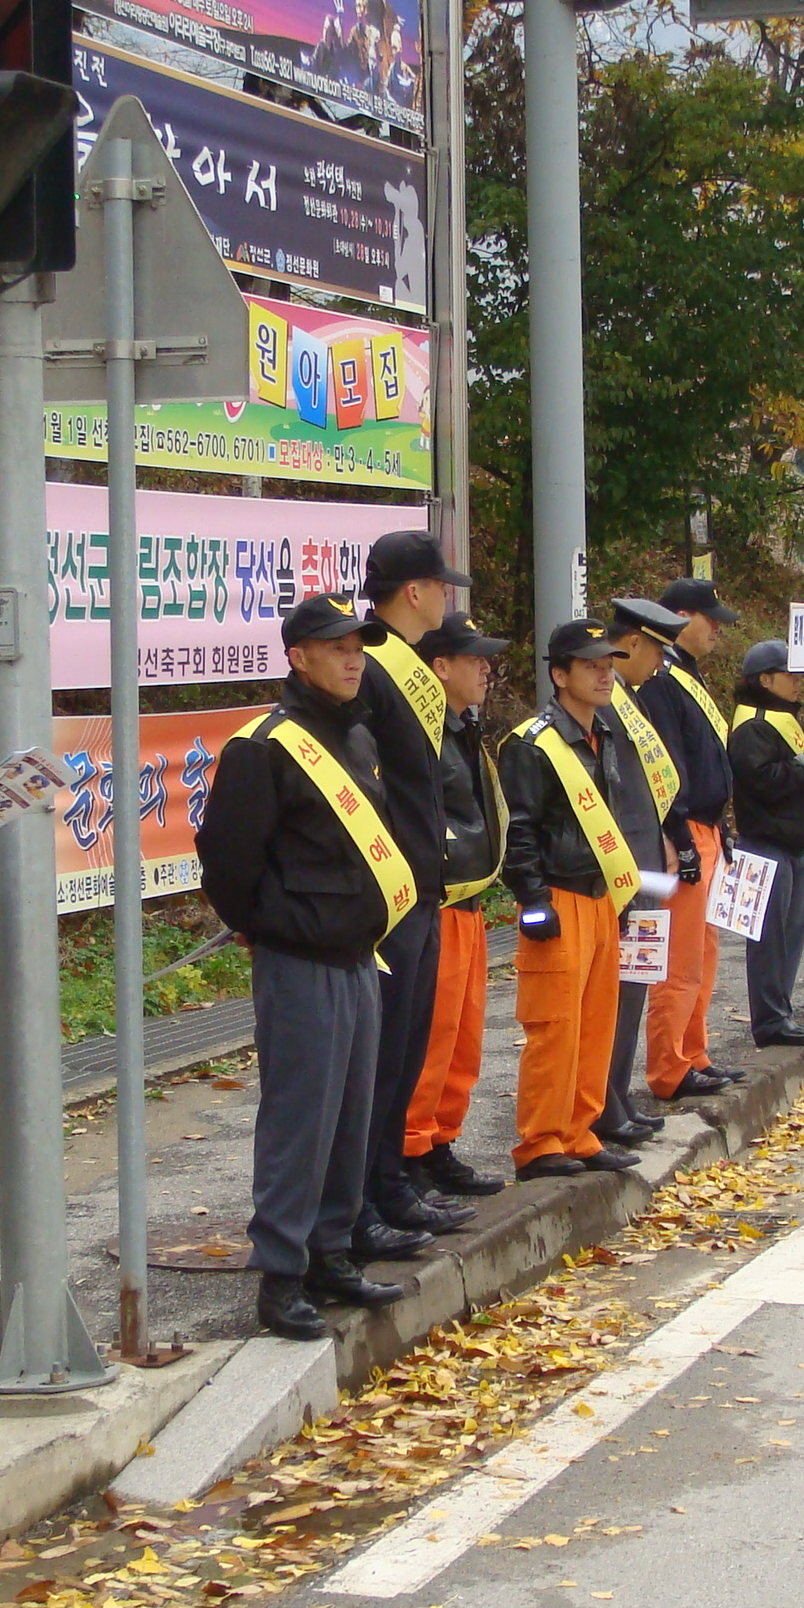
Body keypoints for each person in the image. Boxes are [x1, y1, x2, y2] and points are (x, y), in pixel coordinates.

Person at [197, 594, 429, 1342]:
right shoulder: (264, 747)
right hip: (300, 960)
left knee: (351, 1115)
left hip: (359, 956)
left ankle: (331, 1252)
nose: (354, 659)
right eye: (337, 648)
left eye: (359, 647)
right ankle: (282, 1274)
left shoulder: (354, 736)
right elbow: (228, 863)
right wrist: (273, 926)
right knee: (300, 1119)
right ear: (298, 657)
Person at [353, 531, 479, 1240]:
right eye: (440, 586)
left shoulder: (403, 663)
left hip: (423, 883)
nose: (446, 598)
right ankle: (367, 1198)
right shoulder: (373, 666)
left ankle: (391, 1184)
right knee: (382, 1054)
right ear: (413, 591)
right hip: (392, 888)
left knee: (406, 1047)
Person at [499, 621, 643, 1181]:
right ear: (559, 675)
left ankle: (581, 1132)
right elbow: (520, 831)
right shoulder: (533, 744)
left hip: (599, 894)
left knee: (596, 1023)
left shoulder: (602, 733)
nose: (605, 675)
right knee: (554, 1024)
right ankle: (540, 1143)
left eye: (608, 665)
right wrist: (534, 902)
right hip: (559, 894)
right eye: (591, 666)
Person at [402, 612, 510, 1203]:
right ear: (439, 667)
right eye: (474, 659)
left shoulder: (464, 727)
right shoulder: (421, 731)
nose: (486, 670)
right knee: (432, 1036)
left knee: (463, 1038)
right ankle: (410, 1153)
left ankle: (441, 1141)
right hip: (438, 903)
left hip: (470, 901)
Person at [638, 579, 746, 1102]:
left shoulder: (686, 675)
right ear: (682, 617)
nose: (717, 631)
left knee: (703, 951)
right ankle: (669, 1065)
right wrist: (677, 832)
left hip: (708, 827)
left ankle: (692, 1051)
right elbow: (666, 764)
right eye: (711, 620)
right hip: (683, 829)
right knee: (679, 957)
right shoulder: (661, 681)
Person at [597, 598, 692, 1147]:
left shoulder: (629, 698)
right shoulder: (608, 703)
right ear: (632, 643)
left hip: (644, 860)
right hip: (623, 868)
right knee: (619, 988)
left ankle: (618, 1095)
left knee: (635, 983)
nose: (659, 663)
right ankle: (606, 1102)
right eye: (656, 650)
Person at [728, 640, 804, 1047]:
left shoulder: (785, 718)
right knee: (770, 939)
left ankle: (782, 1011)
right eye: (789, 675)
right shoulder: (753, 724)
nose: (797, 683)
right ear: (765, 679)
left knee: (791, 933)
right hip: (765, 842)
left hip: (793, 841)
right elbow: (762, 782)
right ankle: (771, 1019)